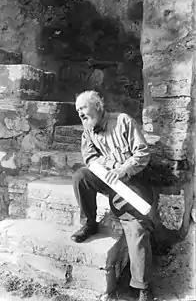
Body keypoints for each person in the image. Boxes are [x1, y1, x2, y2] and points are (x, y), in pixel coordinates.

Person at [71, 90, 154, 301]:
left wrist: (123, 169)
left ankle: (141, 285)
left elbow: (143, 153)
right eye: (78, 110)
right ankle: (89, 223)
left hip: (132, 181)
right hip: (108, 178)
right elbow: (90, 158)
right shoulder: (88, 130)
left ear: (97, 106)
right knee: (81, 176)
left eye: (83, 107)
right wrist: (111, 166)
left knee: (135, 224)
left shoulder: (123, 121)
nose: (80, 113)